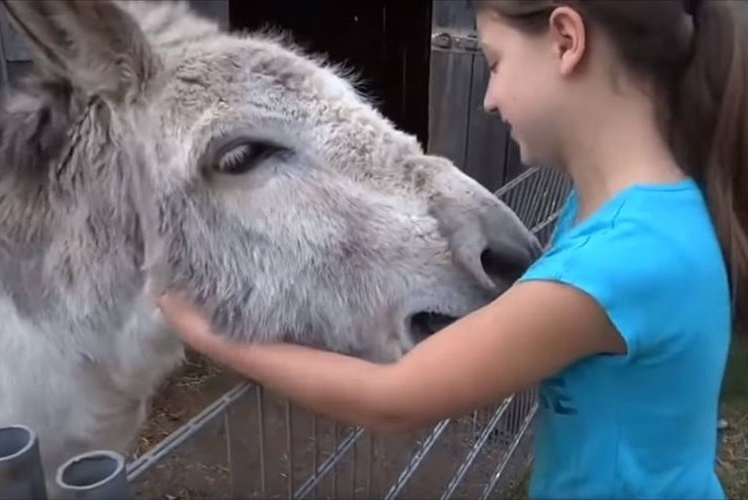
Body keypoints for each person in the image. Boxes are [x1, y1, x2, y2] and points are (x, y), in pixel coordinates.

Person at [155, 1, 748, 498]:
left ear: (566, 41)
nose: (488, 97)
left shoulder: (622, 261)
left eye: (494, 63)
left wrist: (210, 332)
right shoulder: (643, 211)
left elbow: (392, 400)